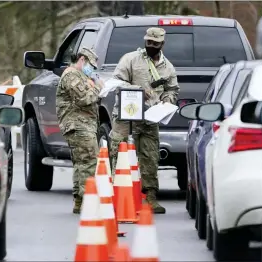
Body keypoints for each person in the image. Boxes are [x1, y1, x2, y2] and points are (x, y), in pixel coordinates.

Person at [109, 27, 180, 214]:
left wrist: (167, 101)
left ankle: (150, 197)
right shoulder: (131, 59)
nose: (151, 46)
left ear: (162, 45)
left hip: (150, 118)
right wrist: (137, 89)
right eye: (148, 42)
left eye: (155, 44)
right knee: (120, 153)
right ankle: (118, 197)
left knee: (150, 157)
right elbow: (116, 81)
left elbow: (172, 89)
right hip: (127, 116)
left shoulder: (168, 67)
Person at [56, 47, 103, 214]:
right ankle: (87, 201)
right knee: (90, 161)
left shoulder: (81, 76)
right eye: (90, 65)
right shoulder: (71, 75)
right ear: (82, 60)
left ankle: (79, 201)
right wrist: (98, 87)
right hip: (78, 125)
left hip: (82, 124)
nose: (92, 70)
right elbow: (84, 99)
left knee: (81, 163)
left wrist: (93, 86)